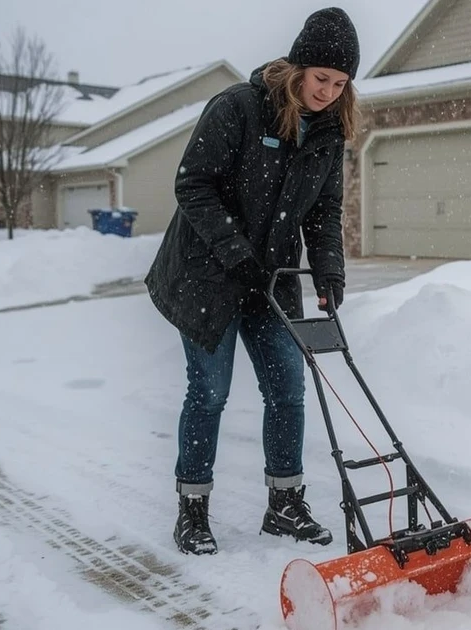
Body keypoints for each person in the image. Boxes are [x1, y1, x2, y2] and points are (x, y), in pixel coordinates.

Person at [144, 7, 360, 555]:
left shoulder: (330, 132)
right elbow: (193, 187)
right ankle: (192, 510)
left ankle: (284, 505)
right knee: (210, 392)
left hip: (269, 278)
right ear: (297, 68)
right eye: (321, 79)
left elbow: (324, 210)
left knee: (288, 389)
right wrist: (235, 253)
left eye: (340, 84)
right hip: (206, 274)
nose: (329, 93)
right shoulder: (239, 108)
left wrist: (329, 268)